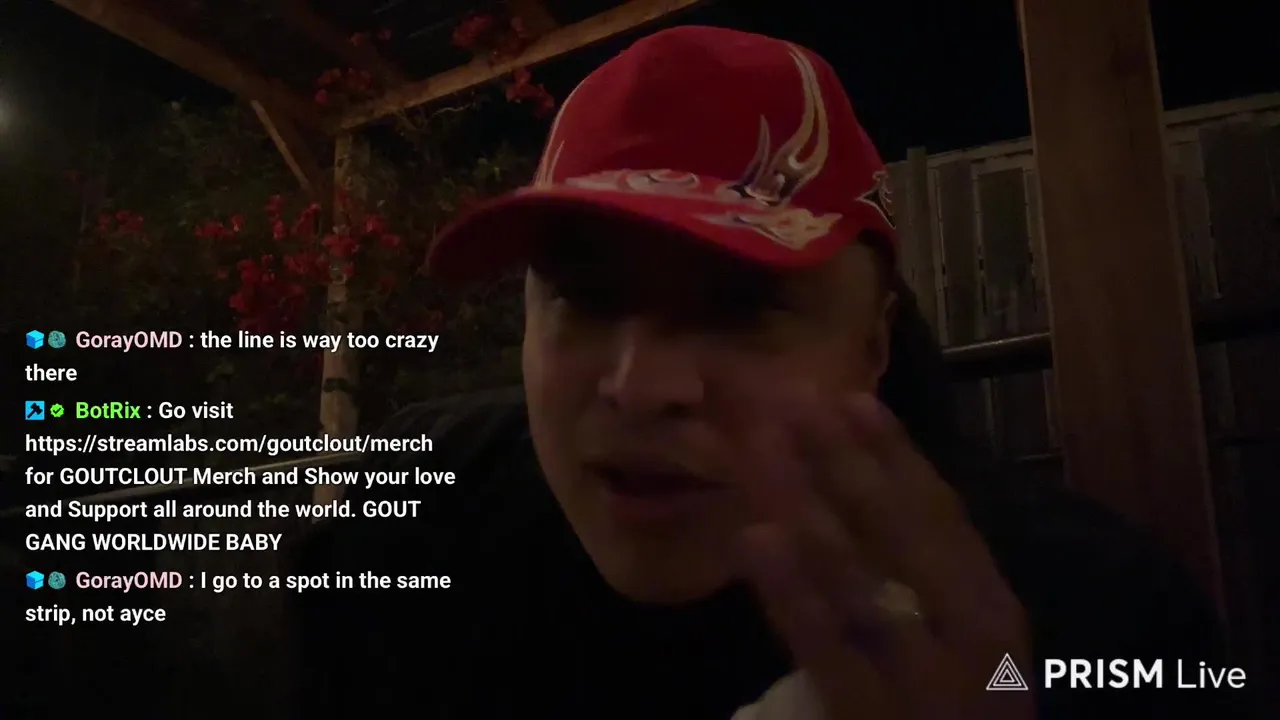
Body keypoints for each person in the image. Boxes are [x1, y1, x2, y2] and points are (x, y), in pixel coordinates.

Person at [289, 26, 1240, 719]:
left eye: (740, 309)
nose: (641, 386)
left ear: (872, 347)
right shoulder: (410, 522)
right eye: (585, 297)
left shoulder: (1093, 617)